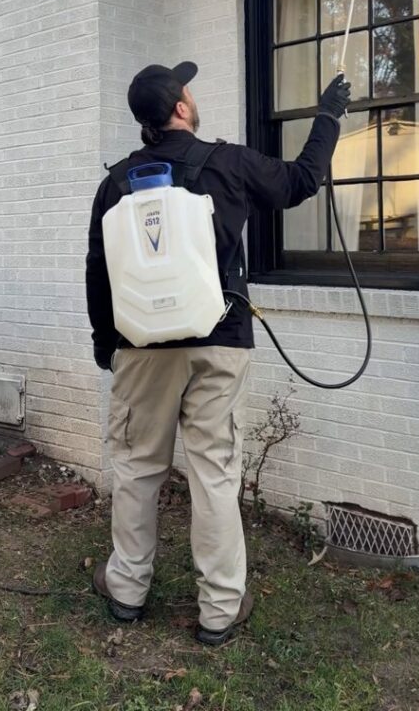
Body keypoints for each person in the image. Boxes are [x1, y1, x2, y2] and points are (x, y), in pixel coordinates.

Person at [86, 61, 350, 645]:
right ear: (179, 107)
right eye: (187, 89)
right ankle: (220, 609)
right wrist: (327, 117)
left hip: (141, 349)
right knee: (212, 473)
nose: (193, 94)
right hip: (220, 340)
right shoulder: (228, 163)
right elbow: (300, 181)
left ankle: (127, 590)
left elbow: (97, 271)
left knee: (136, 469)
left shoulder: (116, 183)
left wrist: (109, 347)